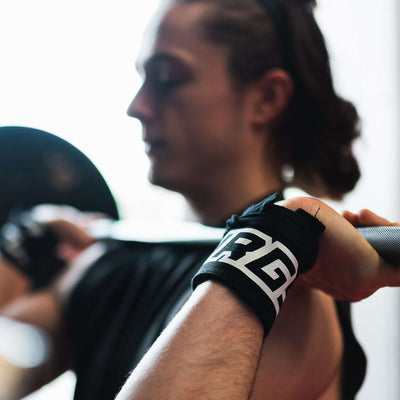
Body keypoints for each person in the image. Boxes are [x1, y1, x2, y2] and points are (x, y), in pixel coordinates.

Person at [1, 0, 400, 399]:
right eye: (141, 78)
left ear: (266, 98)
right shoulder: (111, 262)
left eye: (167, 78)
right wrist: (22, 242)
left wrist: (273, 241)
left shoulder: (297, 289)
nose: (136, 106)